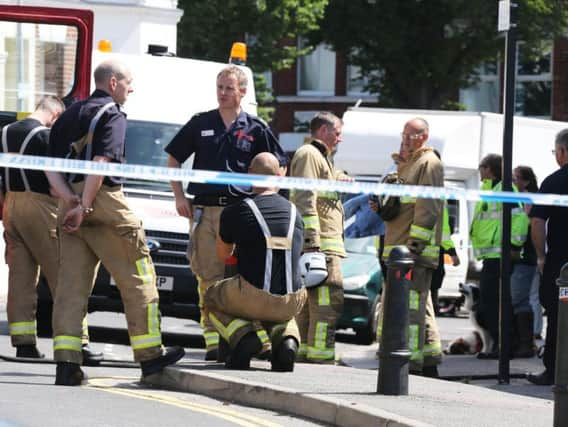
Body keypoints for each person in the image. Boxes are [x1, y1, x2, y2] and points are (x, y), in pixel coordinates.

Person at [46, 60, 185, 386]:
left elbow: (49, 168)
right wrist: (87, 205)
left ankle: (67, 365)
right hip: (102, 199)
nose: (131, 88)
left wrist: (71, 201)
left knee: (71, 287)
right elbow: (100, 163)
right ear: (112, 83)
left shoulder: (67, 115)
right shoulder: (113, 114)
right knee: (139, 273)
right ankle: (150, 357)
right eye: (128, 82)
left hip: (68, 202)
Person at [165, 65, 287, 361]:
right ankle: (214, 341)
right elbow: (173, 157)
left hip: (244, 212)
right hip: (206, 211)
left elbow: (279, 167)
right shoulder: (200, 122)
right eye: (219, 87)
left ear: (243, 92)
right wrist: (179, 196)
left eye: (229, 88)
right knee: (208, 277)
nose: (222, 93)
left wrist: (270, 202)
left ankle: (256, 338)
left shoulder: (256, 128)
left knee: (248, 277)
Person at [203, 153, 307, 371]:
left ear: (250, 174)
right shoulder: (296, 213)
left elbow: (224, 255)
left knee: (211, 297)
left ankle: (243, 338)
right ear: (279, 175)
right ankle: (286, 340)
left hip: (252, 295)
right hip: (293, 300)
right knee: (278, 308)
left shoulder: (236, 211)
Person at [379, 118, 444, 377]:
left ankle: (411, 362)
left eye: (411, 135)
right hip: (399, 250)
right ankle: (429, 359)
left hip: (412, 253)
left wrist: (414, 247)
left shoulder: (429, 164)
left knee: (411, 308)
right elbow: (402, 207)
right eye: (403, 134)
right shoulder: (406, 165)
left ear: (424, 137)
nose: (405, 139)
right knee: (419, 306)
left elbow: (427, 208)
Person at [290, 111, 349, 364]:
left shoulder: (320, 158)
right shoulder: (310, 155)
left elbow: (321, 187)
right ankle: (321, 357)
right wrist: (312, 241)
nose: (340, 139)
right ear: (323, 131)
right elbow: (305, 198)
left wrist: (339, 177)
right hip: (321, 245)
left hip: (321, 244)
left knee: (312, 302)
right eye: (337, 133)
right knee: (328, 301)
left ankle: (306, 353)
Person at [470, 154, 528, 359]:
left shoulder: (505, 189)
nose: (479, 171)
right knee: (491, 302)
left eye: (481, 167)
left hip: (500, 255)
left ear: (490, 169)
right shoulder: (489, 189)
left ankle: (504, 346)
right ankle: (500, 345)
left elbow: (519, 220)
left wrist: (513, 244)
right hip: (491, 255)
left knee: (493, 303)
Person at [527, 129, 568, 385]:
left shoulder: (554, 181)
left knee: (557, 314)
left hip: (561, 263)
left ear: (563, 152)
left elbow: (537, 222)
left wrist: (541, 257)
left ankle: (554, 370)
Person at [510, 165, 539, 358]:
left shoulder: (527, 199)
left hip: (525, 256)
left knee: (520, 300)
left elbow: (526, 226)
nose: (512, 181)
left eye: (515, 177)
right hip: (526, 256)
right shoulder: (522, 198)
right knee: (525, 298)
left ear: (526, 181)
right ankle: (524, 343)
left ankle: (525, 344)